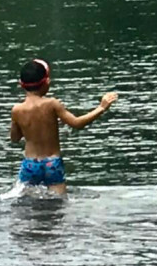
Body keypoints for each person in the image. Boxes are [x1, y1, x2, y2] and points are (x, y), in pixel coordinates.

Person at [10, 58, 118, 195]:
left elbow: (14, 138)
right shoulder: (52, 104)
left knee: (26, 202)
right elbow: (76, 123)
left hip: (30, 164)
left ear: (21, 84)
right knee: (59, 201)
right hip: (52, 163)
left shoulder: (17, 110)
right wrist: (101, 108)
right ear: (46, 82)